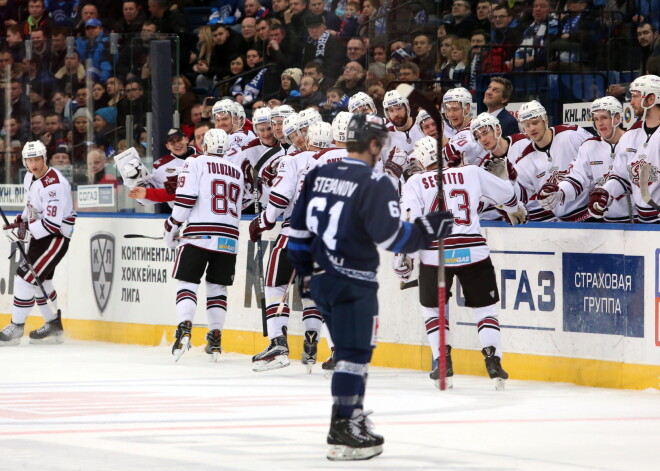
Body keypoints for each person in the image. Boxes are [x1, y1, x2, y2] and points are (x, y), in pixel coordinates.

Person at [286, 113, 452, 460]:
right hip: (354, 283)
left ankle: (352, 418)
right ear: (374, 144)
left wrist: (306, 277)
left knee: (349, 354)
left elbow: (297, 236)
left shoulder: (318, 173)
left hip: (321, 281)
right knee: (353, 357)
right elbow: (392, 237)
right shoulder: (375, 182)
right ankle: (342, 426)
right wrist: (426, 229)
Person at [396, 135, 526, 387]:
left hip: (436, 254)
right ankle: (493, 360)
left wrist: (405, 256)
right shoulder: (471, 172)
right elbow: (507, 192)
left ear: (422, 160)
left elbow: (409, 219)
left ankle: (441, 359)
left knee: (433, 310)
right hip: (473, 251)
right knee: (485, 309)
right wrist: (513, 207)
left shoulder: (415, 181)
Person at [163, 129, 244, 361]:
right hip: (229, 237)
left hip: (199, 233)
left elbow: (186, 199)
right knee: (218, 288)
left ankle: (185, 326)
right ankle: (215, 337)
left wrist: (172, 225)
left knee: (188, 282)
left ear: (204, 145)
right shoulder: (236, 170)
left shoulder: (195, 162)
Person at [0, 141, 76, 345]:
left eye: (37, 159)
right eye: (29, 160)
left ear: (45, 158)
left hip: (55, 238)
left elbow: (52, 224)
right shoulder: (29, 177)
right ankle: (53, 325)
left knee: (25, 277)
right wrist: (22, 221)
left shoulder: (55, 186)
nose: (33, 164)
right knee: (41, 282)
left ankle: (16, 327)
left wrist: (24, 233)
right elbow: (32, 206)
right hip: (40, 236)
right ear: (25, 161)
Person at [538, 97, 633, 223]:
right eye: (596, 119)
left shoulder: (634, 141)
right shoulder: (589, 146)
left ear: (617, 118)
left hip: (641, 220)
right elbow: (576, 177)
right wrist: (560, 191)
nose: (599, 123)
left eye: (604, 117)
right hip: (605, 221)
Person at [588, 75, 660, 223]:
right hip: (643, 223)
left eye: (636, 96)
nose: (631, 102)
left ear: (651, 99)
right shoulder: (630, 136)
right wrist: (605, 193)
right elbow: (621, 176)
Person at [515, 100, 592, 221]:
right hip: (562, 221)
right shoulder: (524, 160)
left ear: (545, 120)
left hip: (592, 212)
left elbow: (597, 155)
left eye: (535, 122)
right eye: (527, 125)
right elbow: (519, 194)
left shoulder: (572, 134)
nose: (532, 128)